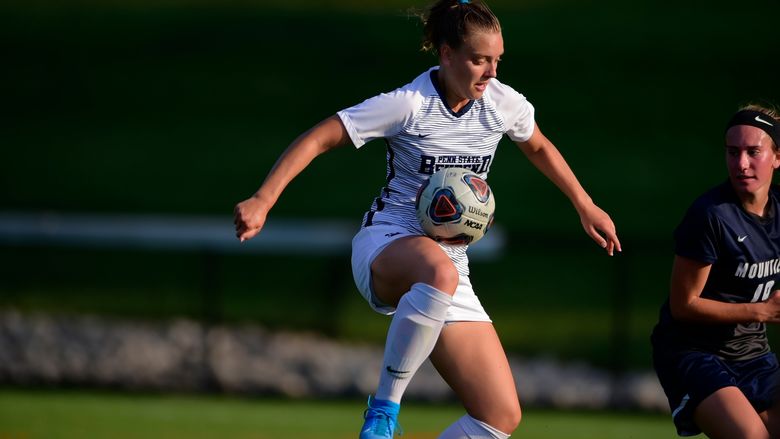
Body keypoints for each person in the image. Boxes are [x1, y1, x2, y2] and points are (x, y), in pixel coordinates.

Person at [234, 0, 620, 437]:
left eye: (497, 60)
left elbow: (539, 146)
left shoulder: (501, 103)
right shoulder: (409, 104)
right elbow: (320, 137)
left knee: (499, 417)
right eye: (479, 60)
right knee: (438, 271)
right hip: (387, 242)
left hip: (449, 268)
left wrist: (585, 204)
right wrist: (264, 198)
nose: (491, 72)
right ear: (446, 53)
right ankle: (383, 411)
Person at [651, 102, 780, 439]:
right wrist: (759, 311)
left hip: (753, 352)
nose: (741, 164)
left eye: (754, 152)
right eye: (733, 152)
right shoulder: (711, 216)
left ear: (777, 157)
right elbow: (685, 306)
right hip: (694, 353)